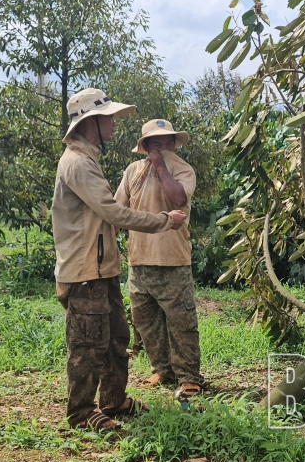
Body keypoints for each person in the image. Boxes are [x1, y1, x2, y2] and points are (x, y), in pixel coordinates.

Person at [52, 88, 187, 432]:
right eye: (108, 117)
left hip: (101, 268)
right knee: (87, 344)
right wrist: (163, 220)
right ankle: (81, 412)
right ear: (91, 122)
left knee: (115, 338)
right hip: (84, 271)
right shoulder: (79, 163)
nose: (114, 123)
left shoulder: (88, 159)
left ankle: (113, 401)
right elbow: (114, 211)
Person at [115, 119, 206, 401]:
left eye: (167, 141)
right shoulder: (132, 171)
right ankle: (162, 370)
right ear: (145, 146)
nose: (162, 147)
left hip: (173, 259)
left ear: (174, 144)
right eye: (155, 143)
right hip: (139, 259)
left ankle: (189, 377)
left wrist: (161, 167)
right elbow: (118, 209)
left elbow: (178, 199)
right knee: (145, 320)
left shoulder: (182, 169)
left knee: (181, 321)